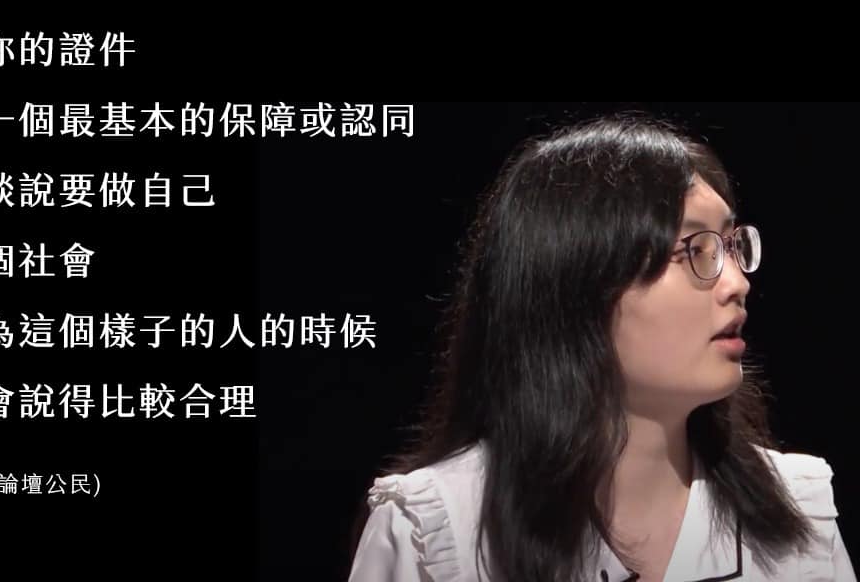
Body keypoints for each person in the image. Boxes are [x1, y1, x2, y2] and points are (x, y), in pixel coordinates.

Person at [347, 113, 856, 582]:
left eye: (730, 246)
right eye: (696, 250)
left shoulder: (799, 518)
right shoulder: (436, 532)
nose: (737, 283)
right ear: (577, 286)